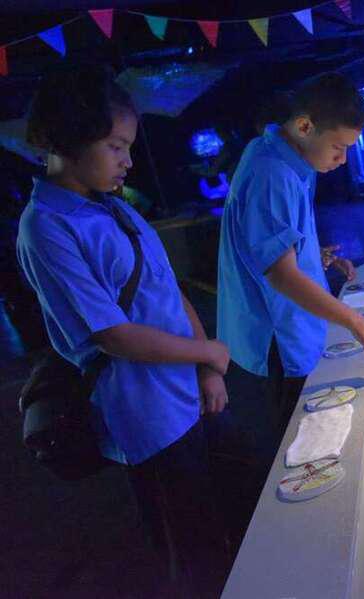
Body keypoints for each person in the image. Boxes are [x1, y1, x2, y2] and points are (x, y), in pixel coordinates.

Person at [17, 66, 229, 597]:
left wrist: (206, 368)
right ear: (68, 138)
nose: (127, 161)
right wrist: (206, 351)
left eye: (128, 147)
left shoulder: (113, 204)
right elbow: (113, 335)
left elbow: (166, 288)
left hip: (187, 392)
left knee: (221, 520)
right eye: (116, 146)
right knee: (190, 549)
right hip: (147, 414)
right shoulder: (46, 226)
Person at [217, 73, 364, 441]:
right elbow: (281, 276)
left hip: (291, 324)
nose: (342, 159)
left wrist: (311, 254)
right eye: (338, 147)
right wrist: (356, 323)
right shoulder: (272, 173)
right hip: (274, 338)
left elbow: (265, 237)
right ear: (305, 126)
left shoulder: (280, 154)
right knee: (294, 437)